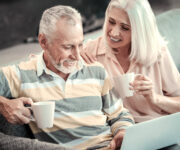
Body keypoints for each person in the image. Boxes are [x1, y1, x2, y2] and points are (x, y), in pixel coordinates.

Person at [0, 5, 134, 150]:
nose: (77, 56)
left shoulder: (96, 70)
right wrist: (3, 104)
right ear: (43, 42)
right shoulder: (22, 74)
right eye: (68, 47)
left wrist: (123, 132)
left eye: (80, 45)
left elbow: (119, 114)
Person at [81, 0, 180, 123]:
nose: (114, 32)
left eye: (125, 28)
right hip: (116, 131)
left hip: (157, 126)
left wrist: (154, 99)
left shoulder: (157, 52)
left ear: (140, 31)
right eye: (111, 22)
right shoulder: (90, 51)